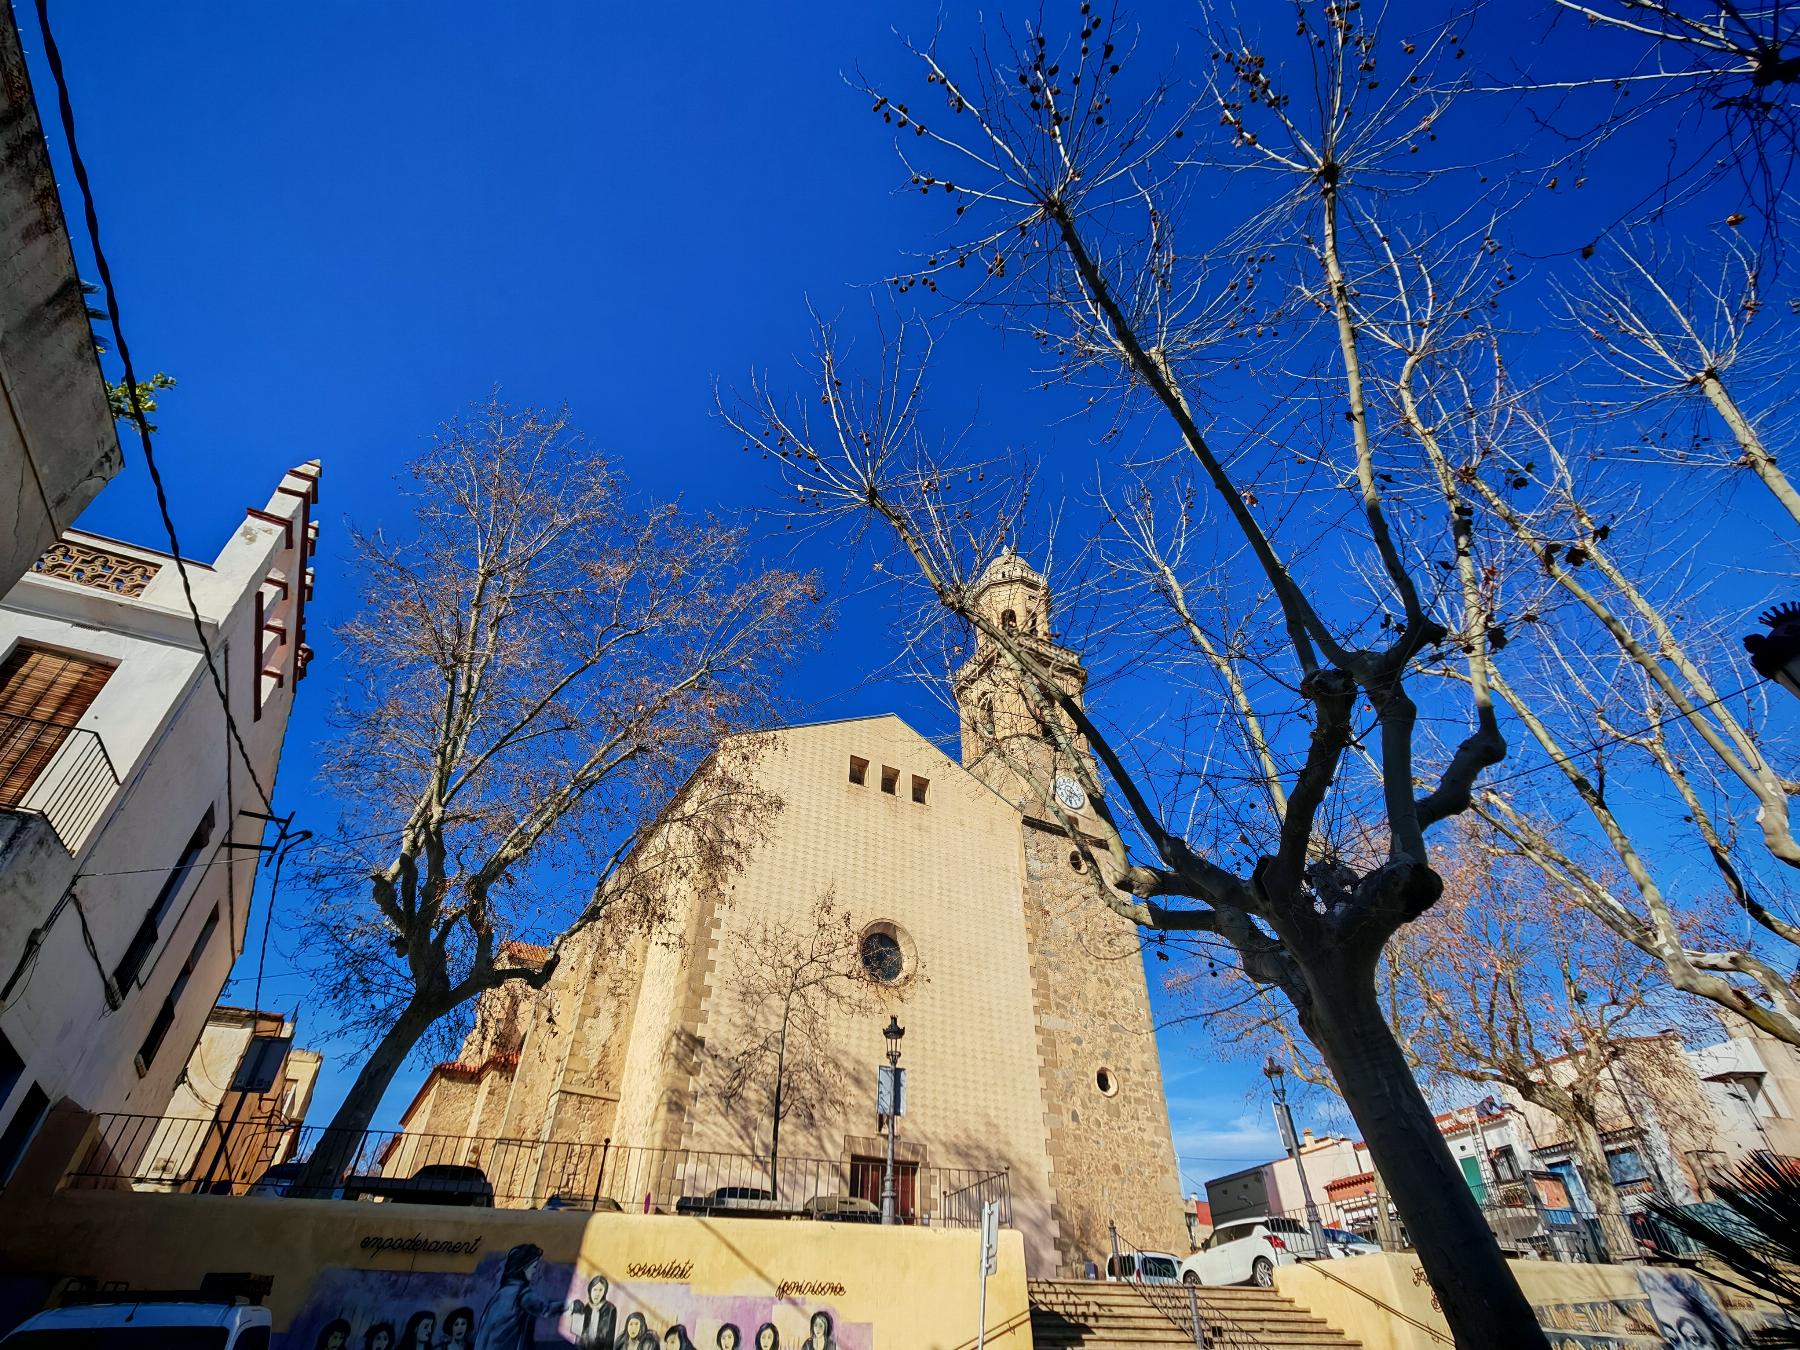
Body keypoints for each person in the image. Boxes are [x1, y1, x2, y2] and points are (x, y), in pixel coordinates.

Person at [473, 1243, 568, 1350]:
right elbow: (545, 1309)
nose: (535, 1272)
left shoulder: (503, 1292)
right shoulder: (521, 1293)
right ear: (523, 1268)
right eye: (534, 1267)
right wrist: (570, 1305)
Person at [569, 1275, 617, 1350]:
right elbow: (578, 1335)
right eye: (595, 1289)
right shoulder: (585, 1308)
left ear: (605, 1292)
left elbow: (608, 1338)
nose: (597, 1293)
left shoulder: (610, 1309)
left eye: (601, 1290)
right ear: (590, 1290)